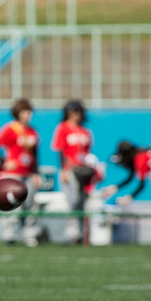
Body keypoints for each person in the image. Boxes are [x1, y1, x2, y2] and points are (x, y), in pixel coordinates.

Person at [0, 98, 41, 246]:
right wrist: (3, 162)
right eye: (25, 111)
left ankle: (30, 235)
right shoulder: (11, 128)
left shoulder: (32, 131)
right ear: (18, 113)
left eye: (29, 111)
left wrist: (36, 172)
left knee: (31, 205)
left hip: (28, 173)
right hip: (13, 173)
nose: (28, 114)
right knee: (11, 203)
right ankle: (9, 235)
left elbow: (35, 153)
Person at [51, 100, 93, 244]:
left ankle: (82, 235)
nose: (75, 115)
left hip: (83, 170)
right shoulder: (63, 128)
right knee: (73, 202)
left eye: (78, 111)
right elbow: (60, 150)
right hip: (70, 170)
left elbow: (88, 153)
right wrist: (63, 169)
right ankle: (73, 235)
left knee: (83, 202)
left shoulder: (85, 131)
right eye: (72, 112)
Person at [103, 141, 151, 205]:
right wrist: (114, 188)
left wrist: (129, 198)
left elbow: (141, 186)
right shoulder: (139, 153)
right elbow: (130, 178)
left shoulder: (140, 161)